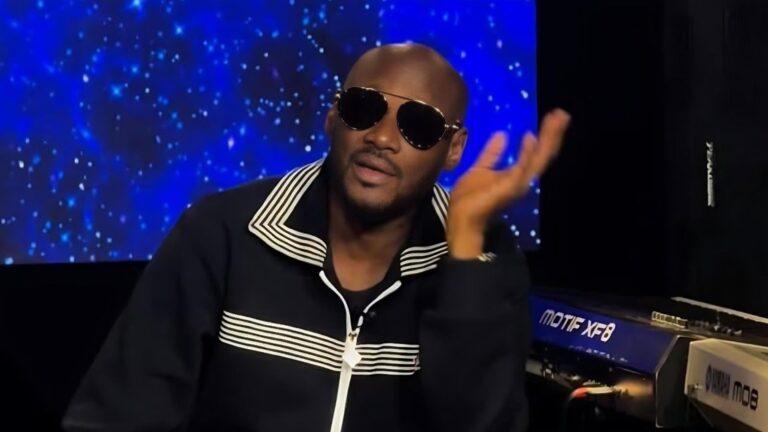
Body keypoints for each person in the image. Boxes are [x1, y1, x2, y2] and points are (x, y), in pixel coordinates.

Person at [62, 43, 570, 432]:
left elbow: (477, 424)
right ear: (333, 116)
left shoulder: (483, 258)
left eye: (417, 125)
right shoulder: (221, 232)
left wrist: (462, 246)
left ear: (452, 149)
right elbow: (119, 415)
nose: (382, 137)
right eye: (363, 108)